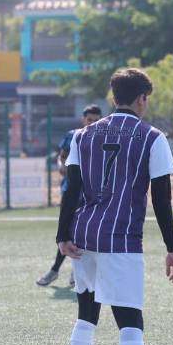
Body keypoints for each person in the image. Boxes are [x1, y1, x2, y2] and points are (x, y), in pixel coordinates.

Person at [56, 68, 173, 345]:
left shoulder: (83, 135)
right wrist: (172, 247)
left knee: (85, 315)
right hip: (121, 238)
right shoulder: (152, 137)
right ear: (142, 98)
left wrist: (62, 235)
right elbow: (161, 199)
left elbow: (72, 188)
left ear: (114, 98)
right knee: (130, 323)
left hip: (83, 235)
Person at [36, 105, 103, 287]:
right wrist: (61, 164)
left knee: (83, 232)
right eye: (90, 120)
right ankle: (56, 270)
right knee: (67, 231)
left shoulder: (104, 139)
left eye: (97, 120)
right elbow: (62, 155)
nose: (93, 124)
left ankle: (73, 271)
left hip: (91, 193)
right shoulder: (73, 135)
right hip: (72, 191)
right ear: (83, 120)